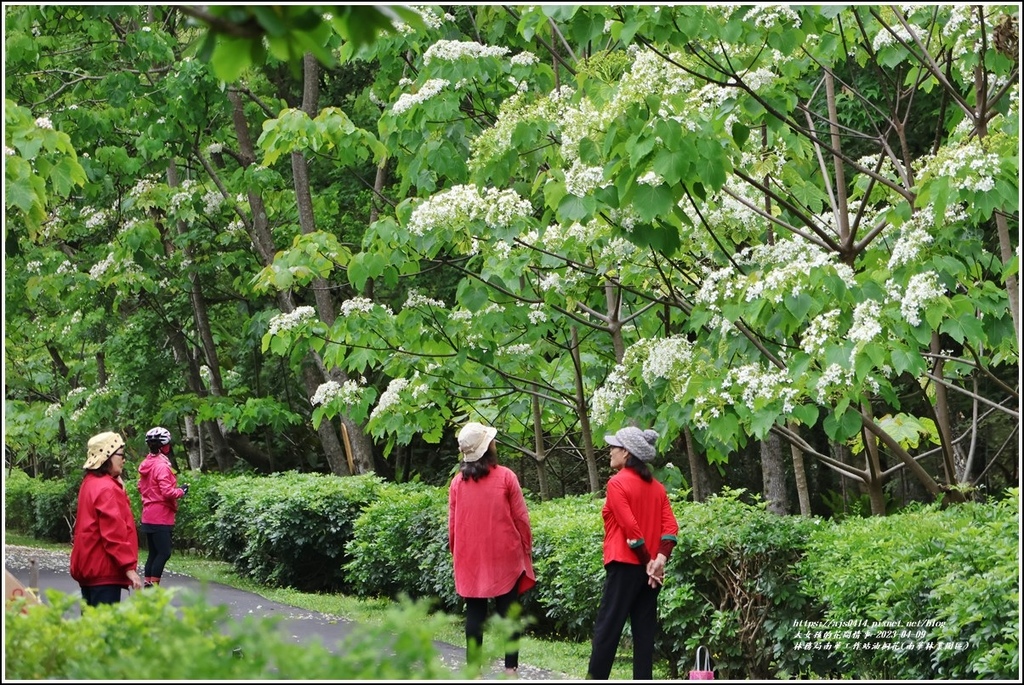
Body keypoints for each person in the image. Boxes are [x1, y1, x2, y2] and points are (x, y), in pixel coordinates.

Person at [586, 426, 679, 680]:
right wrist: (659, 561)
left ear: (626, 452)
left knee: (608, 629)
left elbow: (631, 529)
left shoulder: (616, 484)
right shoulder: (658, 488)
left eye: (614, 447)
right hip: (650, 575)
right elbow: (671, 528)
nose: (610, 451)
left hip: (625, 565)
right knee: (644, 634)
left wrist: (649, 561)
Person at [448, 421, 536, 677]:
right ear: (487, 448)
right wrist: (526, 547)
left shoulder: (457, 483)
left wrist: (457, 552)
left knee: (475, 613)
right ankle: (510, 670)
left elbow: (453, 524)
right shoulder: (506, 476)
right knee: (509, 613)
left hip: (470, 556)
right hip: (504, 555)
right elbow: (521, 518)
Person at [70, 431, 143, 607]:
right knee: (104, 631)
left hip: (90, 568)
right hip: (104, 570)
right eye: (120, 455)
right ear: (107, 456)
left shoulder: (90, 482)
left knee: (90, 628)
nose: (123, 460)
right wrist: (129, 569)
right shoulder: (107, 488)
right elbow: (114, 533)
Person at [137, 426, 188, 588]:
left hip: (148, 514)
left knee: (153, 553)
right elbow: (167, 492)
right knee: (164, 553)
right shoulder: (162, 466)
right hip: (161, 516)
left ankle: (148, 583)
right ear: (165, 446)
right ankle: (154, 586)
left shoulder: (146, 463)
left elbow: (140, 487)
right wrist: (182, 491)